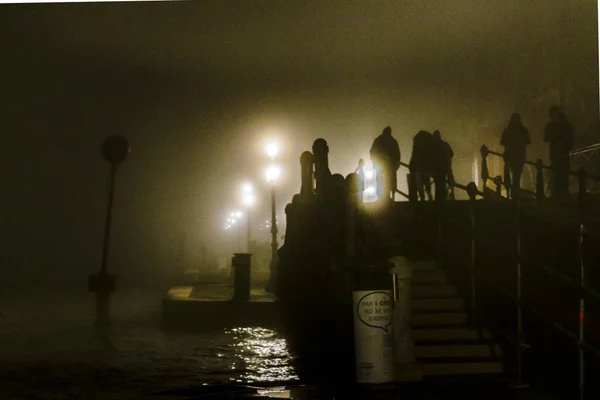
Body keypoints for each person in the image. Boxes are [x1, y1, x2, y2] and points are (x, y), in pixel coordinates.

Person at [544, 106, 575, 200]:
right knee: (559, 174)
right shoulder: (565, 124)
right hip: (558, 154)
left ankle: (561, 195)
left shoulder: (562, 125)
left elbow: (546, 138)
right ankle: (560, 195)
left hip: (560, 153)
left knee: (561, 174)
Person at [500, 113, 530, 198]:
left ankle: (513, 192)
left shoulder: (508, 130)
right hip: (518, 156)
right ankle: (515, 192)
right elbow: (528, 141)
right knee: (516, 175)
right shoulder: (522, 130)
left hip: (512, 156)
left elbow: (502, 141)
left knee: (514, 175)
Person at [370, 126, 400, 202]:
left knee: (383, 180)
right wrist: (396, 163)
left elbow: (372, 151)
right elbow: (397, 153)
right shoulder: (393, 141)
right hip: (388, 165)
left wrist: (374, 161)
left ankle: (382, 196)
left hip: (382, 164)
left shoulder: (378, 140)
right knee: (388, 180)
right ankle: (387, 196)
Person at [409, 130, 434, 201]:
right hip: (424, 168)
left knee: (420, 185)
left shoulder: (417, 147)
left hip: (417, 168)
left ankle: (422, 199)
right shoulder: (427, 147)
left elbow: (414, 158)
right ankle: (429, 198)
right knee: (427, 184)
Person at [431, 130, 454, 201]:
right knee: (447, 183)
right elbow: (451, 153)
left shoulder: (433, 146)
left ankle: (439, 200)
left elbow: (431, 157)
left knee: (438, 185)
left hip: (438, 169)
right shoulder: (445, 144)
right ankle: (449, 197)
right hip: (446, 167)